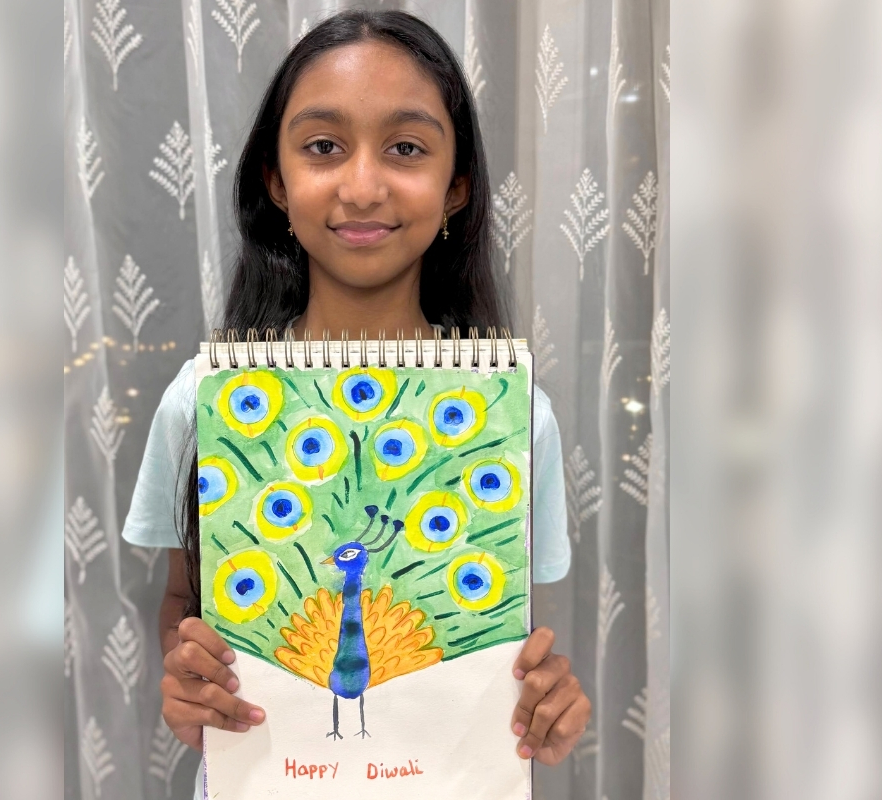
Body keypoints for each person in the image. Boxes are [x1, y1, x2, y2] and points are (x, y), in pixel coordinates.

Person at [122, 10, 590, 798]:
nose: (363, 185)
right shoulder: (204, 398)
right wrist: (190, 676)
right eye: (322, 147)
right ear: (276, 182)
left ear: (457, 187)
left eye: (406, 148)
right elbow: (182, 600)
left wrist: (547, 705)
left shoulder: (513, 414)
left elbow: (502, 639)